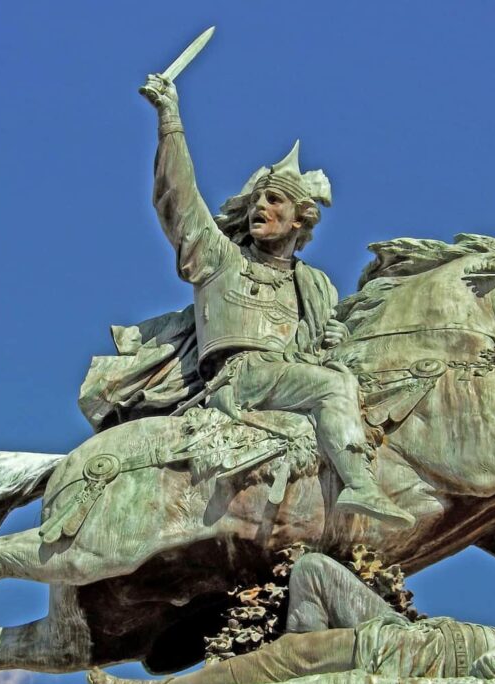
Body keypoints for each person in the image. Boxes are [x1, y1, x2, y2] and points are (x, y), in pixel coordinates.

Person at [138, 73, 413, 528]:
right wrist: (171, 120)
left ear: (299, 221)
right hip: (238, 378)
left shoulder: (317, 286)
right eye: (257, 200)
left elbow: (321, 355)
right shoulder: (221, 259)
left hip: (288, 381)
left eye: (274, 200)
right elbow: (178, 199)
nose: (258, 207)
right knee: (331, 387)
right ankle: (361, 486)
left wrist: (334, 339)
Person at [87, 553, 495, 684]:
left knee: (259, 665)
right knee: (312, 569)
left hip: (399, 656)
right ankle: (296, 657)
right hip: (404, 629)